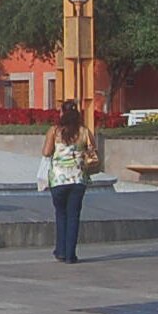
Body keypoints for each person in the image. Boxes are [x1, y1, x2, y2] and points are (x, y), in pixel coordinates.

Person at [42, 100, 97, 263]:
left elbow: (46, 152)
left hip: (58, 179)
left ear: (62, 113)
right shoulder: (84, 132)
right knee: (73, 216)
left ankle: (60, 251)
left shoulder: (54, 131)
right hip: (78, 179)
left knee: (61, 214)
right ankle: (70, 254)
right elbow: (93, 151)